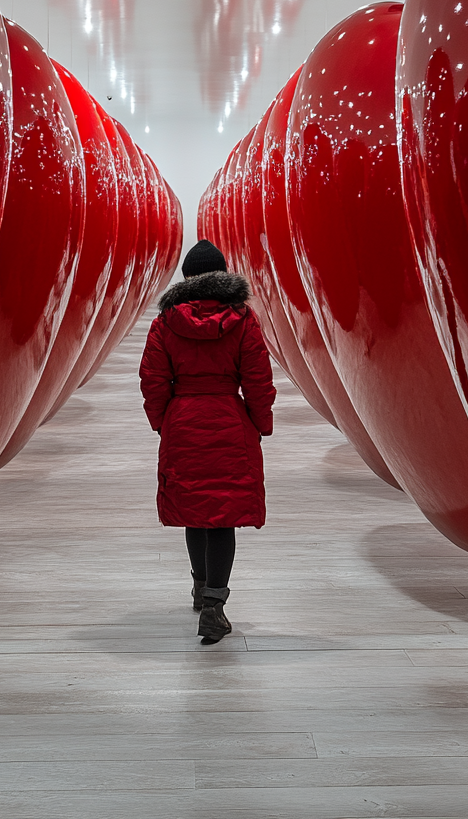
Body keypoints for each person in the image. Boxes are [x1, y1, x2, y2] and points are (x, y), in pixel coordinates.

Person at [139, 239, 276, 644]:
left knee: (193, 507)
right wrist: (259, 424)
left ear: (186, 279)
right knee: (223, 513)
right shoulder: (242, 318)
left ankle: (200, 588)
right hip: (229, 421)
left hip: (183, 419)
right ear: (223, 277)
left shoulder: (165, 322)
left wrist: (162, 421)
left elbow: (152, 379)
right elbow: (258, 380)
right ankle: (215, 606)